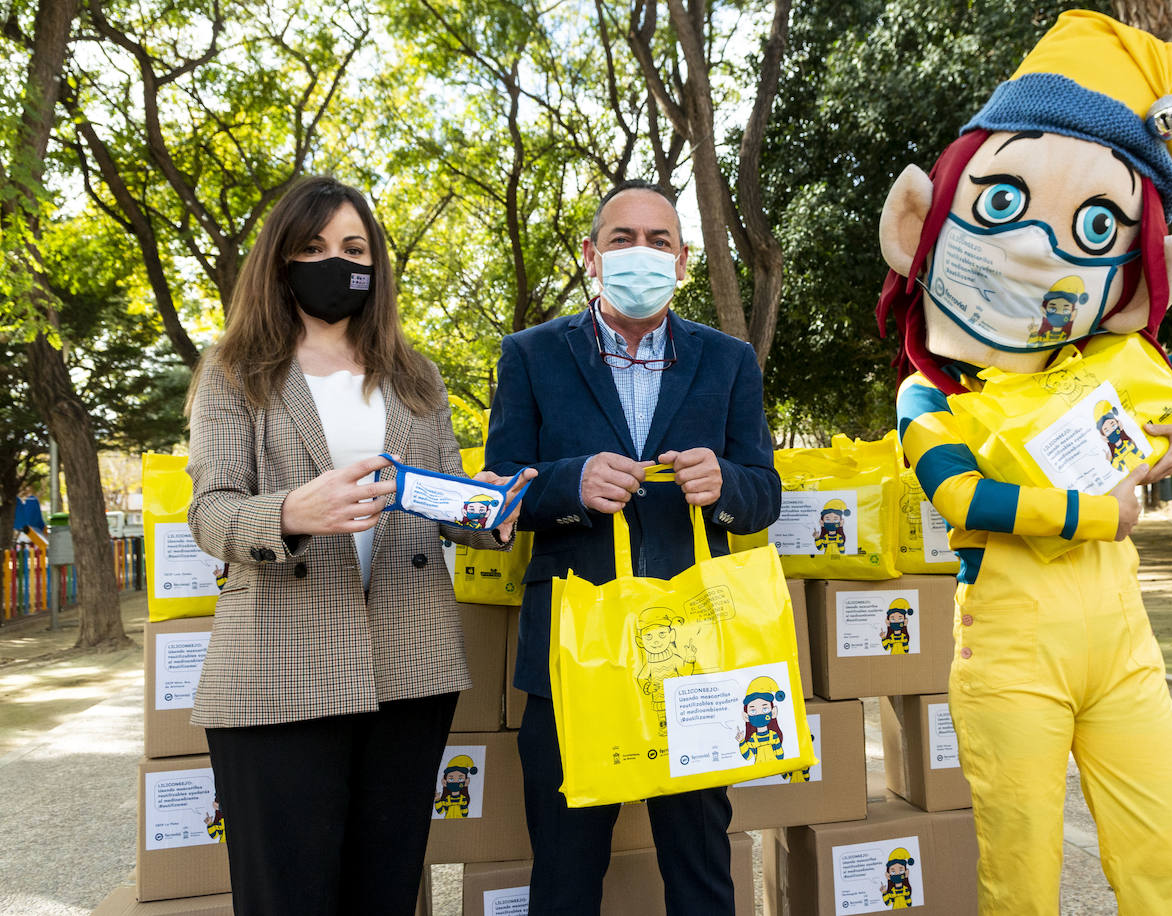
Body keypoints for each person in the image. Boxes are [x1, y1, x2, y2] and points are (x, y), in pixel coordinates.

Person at [876, 12, 1172, 915]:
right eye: (1002, 205)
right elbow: (959, 493)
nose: (1037, 251)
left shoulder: (1098, 361)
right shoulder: (931, 396)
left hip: (1122, 649)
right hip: (1008, 656)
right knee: (1021, 866)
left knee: (1166, 847)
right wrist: (1091, 516)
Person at [185, 175, 532, 915]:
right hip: (277, 670)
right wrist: (291, 511)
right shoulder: (236, 371)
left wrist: (485, 511)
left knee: (386, 890)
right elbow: (211, 512)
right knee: (289, 896)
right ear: (280, 260)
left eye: (354, 247)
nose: (335, 261)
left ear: (376, 264)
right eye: (313, 246)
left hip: (408, 669)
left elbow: (434, 503)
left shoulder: (415, 378)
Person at [484, 179, 781, 915]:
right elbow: (498, 496)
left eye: (659, 241)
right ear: (592, 254)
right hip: (572, 653)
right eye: (622, 239)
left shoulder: (729, 360)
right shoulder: (530, 356)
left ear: (682, 262)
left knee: (701, 866)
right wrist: (568, 484)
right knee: (563, 870)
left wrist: (728, 484)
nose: (640, 253)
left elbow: (765, 493)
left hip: (694, 656)